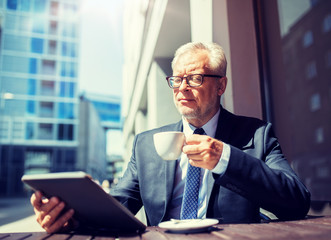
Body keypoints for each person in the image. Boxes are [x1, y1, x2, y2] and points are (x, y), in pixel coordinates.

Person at [30, 42, 311, 233]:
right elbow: (119, 207)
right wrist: (69, 216)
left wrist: (225, 158)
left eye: (195, 79)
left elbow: (297, 200)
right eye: (176, 80)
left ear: (220, 85)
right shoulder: (146, 144)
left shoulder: (257, 135)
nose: (182, 88)